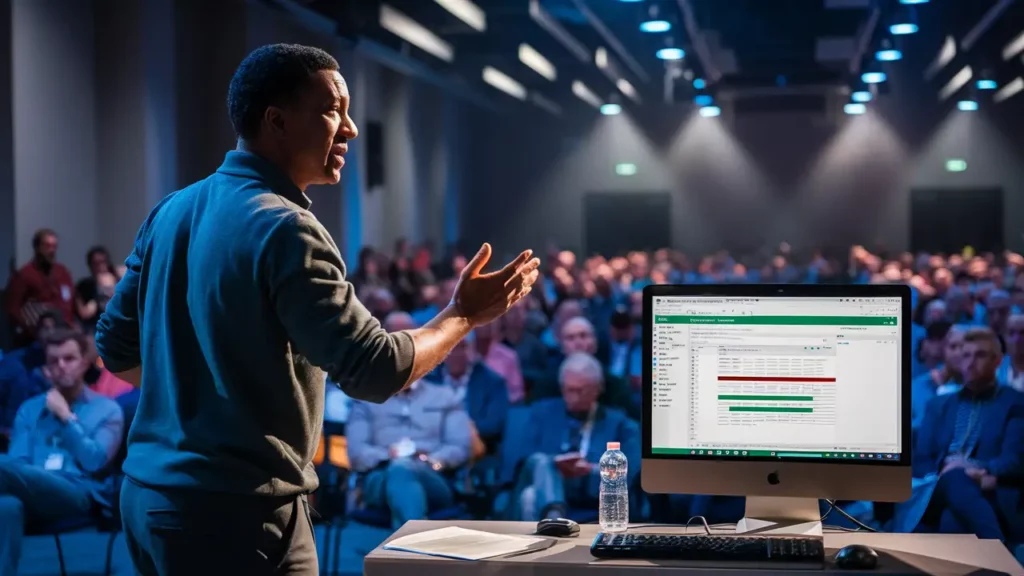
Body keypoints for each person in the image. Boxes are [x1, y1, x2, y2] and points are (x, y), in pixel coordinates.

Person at [95, 44, 539, 576]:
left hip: (149, 500)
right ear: (276, 121)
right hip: (236, 512)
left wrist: (202, 398)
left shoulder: (172, 210)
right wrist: (461, 316)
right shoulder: (286, 228)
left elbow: (115, 349)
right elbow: (375, 370)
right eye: (333, 110)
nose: (350, 129)